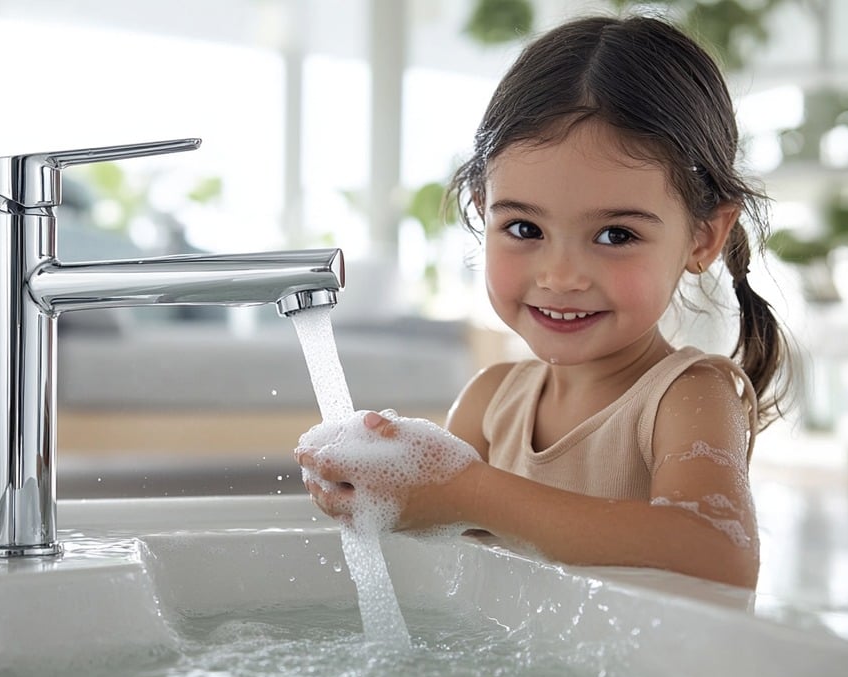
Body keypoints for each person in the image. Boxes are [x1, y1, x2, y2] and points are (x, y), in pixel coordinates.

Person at [295, 14, 793, 590]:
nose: (560, 276)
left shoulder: (685, 397)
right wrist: (381, 493)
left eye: (615, 235)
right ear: (482, 209)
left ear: (703, 237)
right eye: (525, 229)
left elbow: (720, 553)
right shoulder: (490, 401)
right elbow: (452, 580)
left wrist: (468, 491)